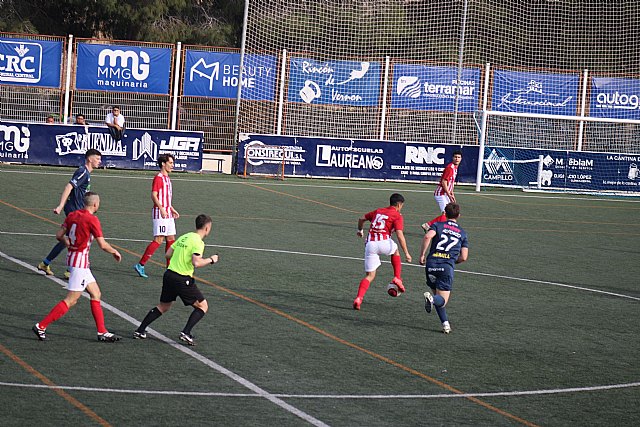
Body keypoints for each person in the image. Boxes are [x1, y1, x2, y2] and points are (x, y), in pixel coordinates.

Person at [32, 192, 122, 342]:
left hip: (76, 260)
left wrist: (69, 244)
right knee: (71, 300)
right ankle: (41, 326)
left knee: (96, 294)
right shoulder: (92, 220)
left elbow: (59, 235)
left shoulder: (72, 215)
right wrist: (114, 251)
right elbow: (102, 244)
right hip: (79, 263)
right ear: (95, 204)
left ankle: (102, 332)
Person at [133, 214, 218, 346]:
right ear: (207, 228)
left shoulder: (185, 236)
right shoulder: (198, 242)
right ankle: (186, 332)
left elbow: (168, 254)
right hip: (182, 278)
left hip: (169, 275)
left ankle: (140, 330)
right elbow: (197, 263)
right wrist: (211, 260)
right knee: (203, 306)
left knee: (163, 306)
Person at [38, 149, 102, 277]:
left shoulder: (86, 173)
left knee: (68, 239)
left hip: (77, 209)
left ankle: (46, 263)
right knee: (80, 238)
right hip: (74, 210)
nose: (99, 162)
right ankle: (71, 269)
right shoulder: (83, 171)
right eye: (97, 159)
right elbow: (69, 187)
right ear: (90, 159)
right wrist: (61, 205)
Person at [353, 193, 412, 310]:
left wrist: (360, 230)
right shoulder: (397, 215)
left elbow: (361, 219)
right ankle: (397, 277)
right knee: (395, 251)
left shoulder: (378, 211)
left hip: (370, 245)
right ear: (399, 204)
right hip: (384, 242)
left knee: (369, 276)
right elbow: (400, 235)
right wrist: (407, 253)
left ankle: (359, 298)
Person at [419, 202, 469, 334]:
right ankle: (432, 299)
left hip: (431, 265)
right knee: (441, 300)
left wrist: (422, 255)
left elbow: (427, 236)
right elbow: (464, 257)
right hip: (446, 267)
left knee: (437, 294)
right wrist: (452, 261)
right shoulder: (462, 233)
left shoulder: (437, 225)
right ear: (459, 215)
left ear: (445, 214)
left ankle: (445, 324)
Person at [134, 153, 180, 278]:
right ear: (163, 164)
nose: (172, 165)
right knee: (159, 240)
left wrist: (171, 208)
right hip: (160, 214)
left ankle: (170, 268)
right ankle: (141, 264)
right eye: (170, 163)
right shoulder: (158, 178)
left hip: (168, 213)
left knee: (171, 239)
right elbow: (154, 195)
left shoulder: (168, 178)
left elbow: (165, 197)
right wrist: (162, 209)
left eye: (172, 163)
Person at [421, 150, 462, 232]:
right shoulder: (450, 168)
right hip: (441, 193)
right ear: (452, 158)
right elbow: (444, 182)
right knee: (446, 213)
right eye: (455, 157)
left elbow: (450, 183)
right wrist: (449, 195)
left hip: (445, 194)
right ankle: (430, 226)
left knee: (448, 213)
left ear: (461, 159)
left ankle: (429, 225)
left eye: (458, 157)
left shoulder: (455, 168)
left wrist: (452, 193)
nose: (457, 159)